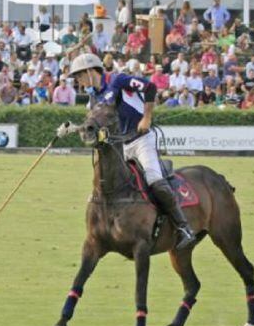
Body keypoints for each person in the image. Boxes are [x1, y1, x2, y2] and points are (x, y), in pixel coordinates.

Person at [62, 52, 194, 248]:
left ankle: (183, 227)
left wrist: (146, 118)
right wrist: (72, 128)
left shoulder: (118, 80)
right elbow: (93, 126)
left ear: (90, 72)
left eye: (80, 76)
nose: (79, 82)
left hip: (142, 140)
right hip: (121, 145)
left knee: (154, 180)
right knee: (106, 181)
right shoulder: (93, 98)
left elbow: (150, 87)